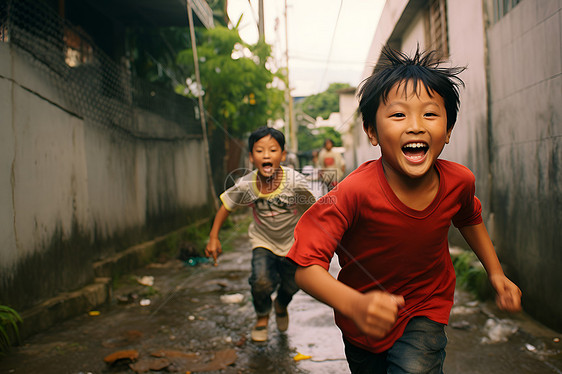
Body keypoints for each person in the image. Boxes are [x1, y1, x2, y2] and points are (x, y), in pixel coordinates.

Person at [287, 47, 522, 373]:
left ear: (448, 131)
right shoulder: (352, 193)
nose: (415, 126)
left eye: (429, 114)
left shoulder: (459, 181)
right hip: (362, 323)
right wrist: (355, 304)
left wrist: (496, 274)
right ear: (372, 132)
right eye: (398, 115)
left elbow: (469, 218)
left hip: (426, 306)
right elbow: (304, 267)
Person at [206, 126, 315, 342]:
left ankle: (281, 304)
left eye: (273, 150)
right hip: (263, 241)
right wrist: (213, 237)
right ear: (250, 157)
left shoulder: (294, 182)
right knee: (261, 281)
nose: (266, 155)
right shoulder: (247, 184)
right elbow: (227, 205)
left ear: (283, 155)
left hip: (293, 243)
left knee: (293, 283)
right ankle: (262, 316)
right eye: (259, 150)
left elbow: (315, 210)